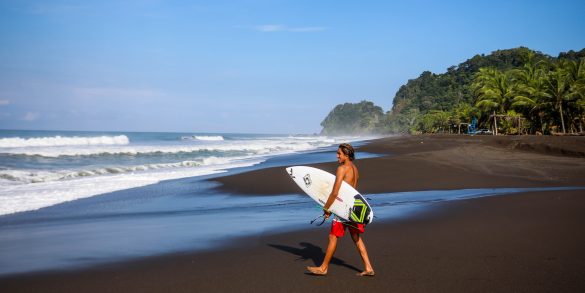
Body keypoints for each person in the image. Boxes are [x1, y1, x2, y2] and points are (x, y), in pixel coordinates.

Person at [306, 143, 375, 276]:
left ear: (346, 155)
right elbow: (352, 192)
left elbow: (335, 193)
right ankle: (368, 267)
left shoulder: (342, 169)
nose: (337, 156)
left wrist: (327, 209)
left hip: (343, 211)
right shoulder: (355, 169)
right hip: (353, 209)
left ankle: (323, 268)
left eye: (339, 153)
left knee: (332, 237)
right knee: (356, 237)